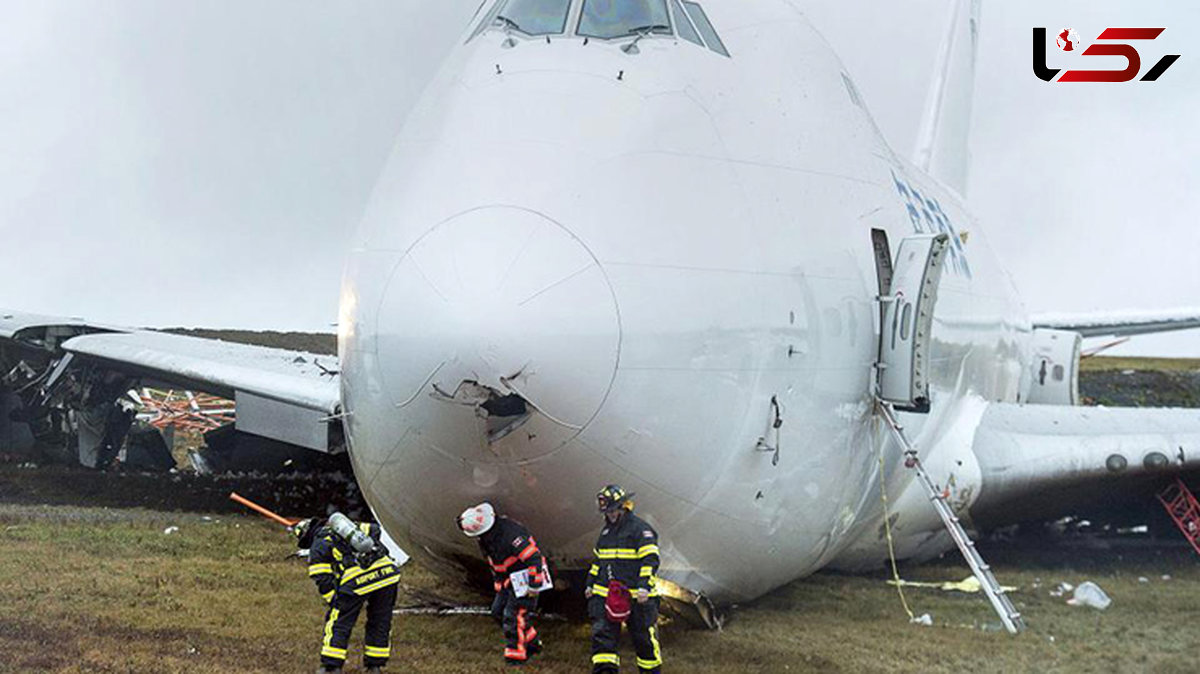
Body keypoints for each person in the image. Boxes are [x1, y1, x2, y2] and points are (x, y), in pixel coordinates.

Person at [293, 513, 400, 674]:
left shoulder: (318, 545)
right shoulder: (348, 527)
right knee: (380, 620)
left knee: (338, 622)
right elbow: (375, 530)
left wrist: (334, 600)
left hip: (357, 580)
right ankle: (375, 666)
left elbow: (322, 578)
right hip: (387, 573)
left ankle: (331, 666)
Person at [457, 502, 549, 666]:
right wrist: (500, 586)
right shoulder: (487, 538)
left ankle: (516, 655)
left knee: (513, 615)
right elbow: (496, 563)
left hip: (526, 578)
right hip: (509, 580)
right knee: (498, 612)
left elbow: (533, 557)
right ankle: (532, 643)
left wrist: (534, 585)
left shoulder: (510, 534)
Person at [585, 485, 662, 673]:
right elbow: (598, 562)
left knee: (644, 641)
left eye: (612, 511)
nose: (610, 515)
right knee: (602, 641)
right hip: (607, 596)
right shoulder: (605, 533)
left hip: (637, 597)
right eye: (607, 512)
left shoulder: (641, 530)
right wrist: (590, 584)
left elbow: (650, 560)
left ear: (622, 507)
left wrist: (644, 586)